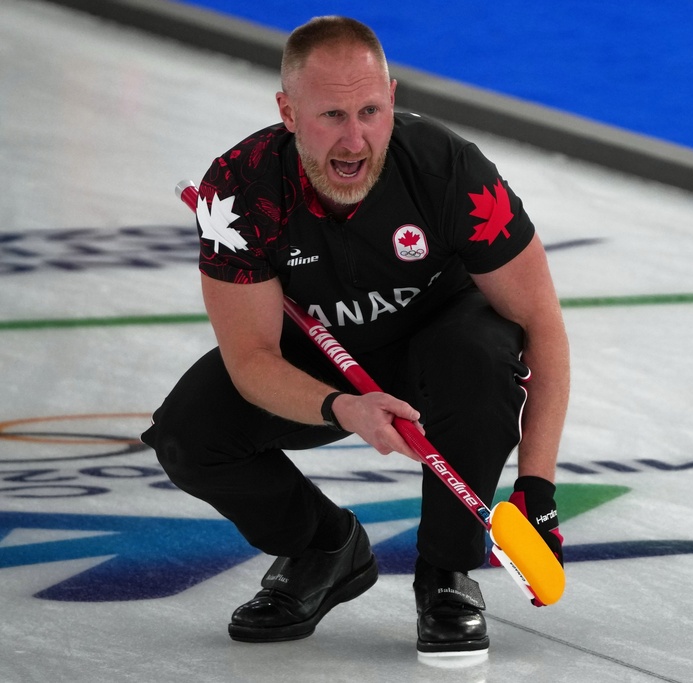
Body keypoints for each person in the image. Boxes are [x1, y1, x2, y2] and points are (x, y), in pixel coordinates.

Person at [141, 15, 568, 657]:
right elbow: (252, 359)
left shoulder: (450, 171)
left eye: (370, 110)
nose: (355, 139)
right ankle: (324, 548)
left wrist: (537, 486)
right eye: (331, 115)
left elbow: (542, 326)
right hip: (323, 363)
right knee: (188, 436)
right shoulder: (238, 193)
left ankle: (447, 575)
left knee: (479, 356)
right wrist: (343, 407)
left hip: (443, 341)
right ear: (287, 111)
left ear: (392, 98)